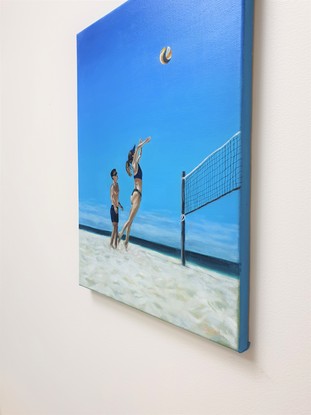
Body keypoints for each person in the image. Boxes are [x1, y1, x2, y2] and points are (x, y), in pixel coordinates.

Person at [118, 136, 151, 249]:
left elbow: (140, 154)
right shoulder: (134, 164)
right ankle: (120, 233)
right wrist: (144, 143)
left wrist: (141, 147)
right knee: (130, 220)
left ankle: (126, 241)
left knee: (130, 221)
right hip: (137, 194)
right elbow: (137, 150)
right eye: (134, 153)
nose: (136, 154)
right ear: (133, 155)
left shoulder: (135, 165)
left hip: (134, 194)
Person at [110, 168, 123, 248]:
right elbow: (112, 197)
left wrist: (119, 205)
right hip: (113, 208)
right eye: (115, 174)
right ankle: (111, 244)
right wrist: (115, 206)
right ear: (112, 177)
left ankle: (115, 245)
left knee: (116, 227)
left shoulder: (117, 185)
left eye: (117, 174)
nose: (117, 175)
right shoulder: (112, 186)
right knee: (115, 227)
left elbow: (116, 198)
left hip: (117, 208)